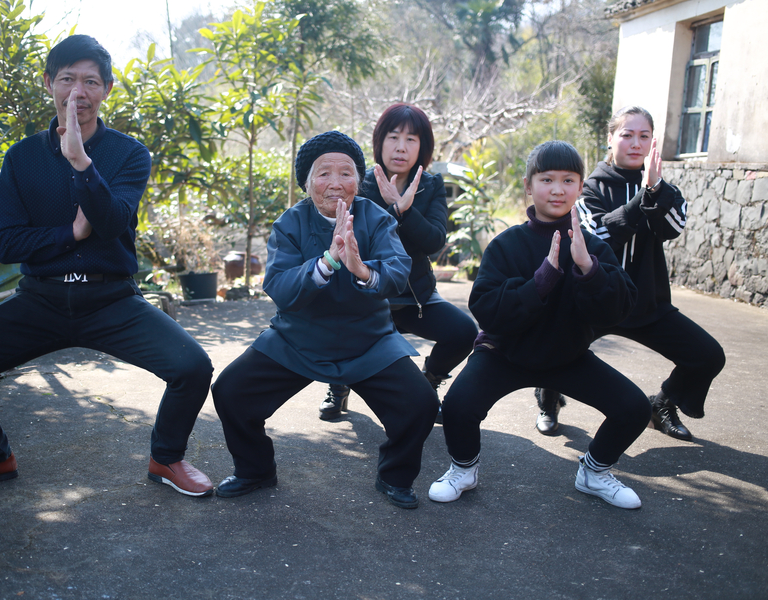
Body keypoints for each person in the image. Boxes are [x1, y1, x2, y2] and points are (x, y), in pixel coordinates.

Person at [0, 35, 215, 497]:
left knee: (193, 367)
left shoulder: (129, 154)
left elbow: (114, 220)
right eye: (67, 79)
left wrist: (79, 160)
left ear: (107, 90)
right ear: (48, 84)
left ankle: (167, 458)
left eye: (90, 82)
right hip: (40, 299)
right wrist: (70, 234)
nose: (78, 91)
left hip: (111, 299)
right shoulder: (21, 157)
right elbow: (6, 244)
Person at [211, 131, 438, 509]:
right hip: (297, 339)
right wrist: (327, 262)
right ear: (306, 182)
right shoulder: (290, 222)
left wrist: (362, 270)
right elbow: (280, 286)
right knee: (231, 390)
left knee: (420, 403)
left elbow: (398, 270)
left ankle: (395, 476)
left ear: (358, 180)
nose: (336, 183)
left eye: (347, 173)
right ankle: (254, 469)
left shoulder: (377, 218)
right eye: (323, 174)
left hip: (369, 341)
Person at [428, 141, 651, 510]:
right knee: (457, 405)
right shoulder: (506, 245)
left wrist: (589, 270)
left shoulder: (593, 246)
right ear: (529, 186)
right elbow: (486, 308)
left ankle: (594, 472)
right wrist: (540, 282)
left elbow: (619, 309)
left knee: (634, 408)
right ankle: (464, 469)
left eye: (568, 180)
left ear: (580, 187)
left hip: (568, 356)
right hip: (504, 353)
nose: (558, 189)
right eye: (547, 179)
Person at [533, 106, 725, 441]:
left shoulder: (662, 186)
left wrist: (656, 189)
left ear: (653, 142)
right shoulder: (589, 187)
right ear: (611, 138)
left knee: (707, 356)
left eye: (644, 136)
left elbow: (674, 227)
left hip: (647, 301)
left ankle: (662, 404)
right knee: (553, 345)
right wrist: (645, 195)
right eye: (627, 135)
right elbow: (600, 235)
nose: (635, 143)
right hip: (596, 300)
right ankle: (548, 401)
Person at [318, 103, 478, 422]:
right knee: (336, 327)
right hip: (367, 298)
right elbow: (349, 241)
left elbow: (434, 241)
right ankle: (339, 385)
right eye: (393, 137)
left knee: (464, 332)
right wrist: (389, 207)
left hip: (415, 298)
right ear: (380, 142)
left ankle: (429, 381)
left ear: (423, 147)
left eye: (411, 139)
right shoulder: (360, 185)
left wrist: (404, 210)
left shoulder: (431, 186)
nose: (401, 147)